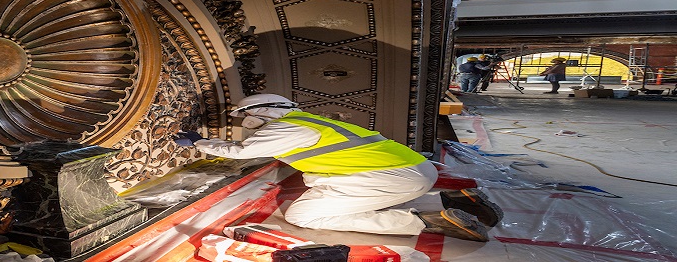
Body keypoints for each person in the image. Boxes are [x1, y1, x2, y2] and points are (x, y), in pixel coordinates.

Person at [176, 94, 502, 242]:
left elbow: (239, 151)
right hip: (418, 171)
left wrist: (198, 142)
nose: (247, 122)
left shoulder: (286, 128)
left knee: (302, 216)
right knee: (355, 195)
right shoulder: (308, 120)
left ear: (262, 112)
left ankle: (426, 221)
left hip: (392, 178)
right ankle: (452, 201)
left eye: (247, 116)